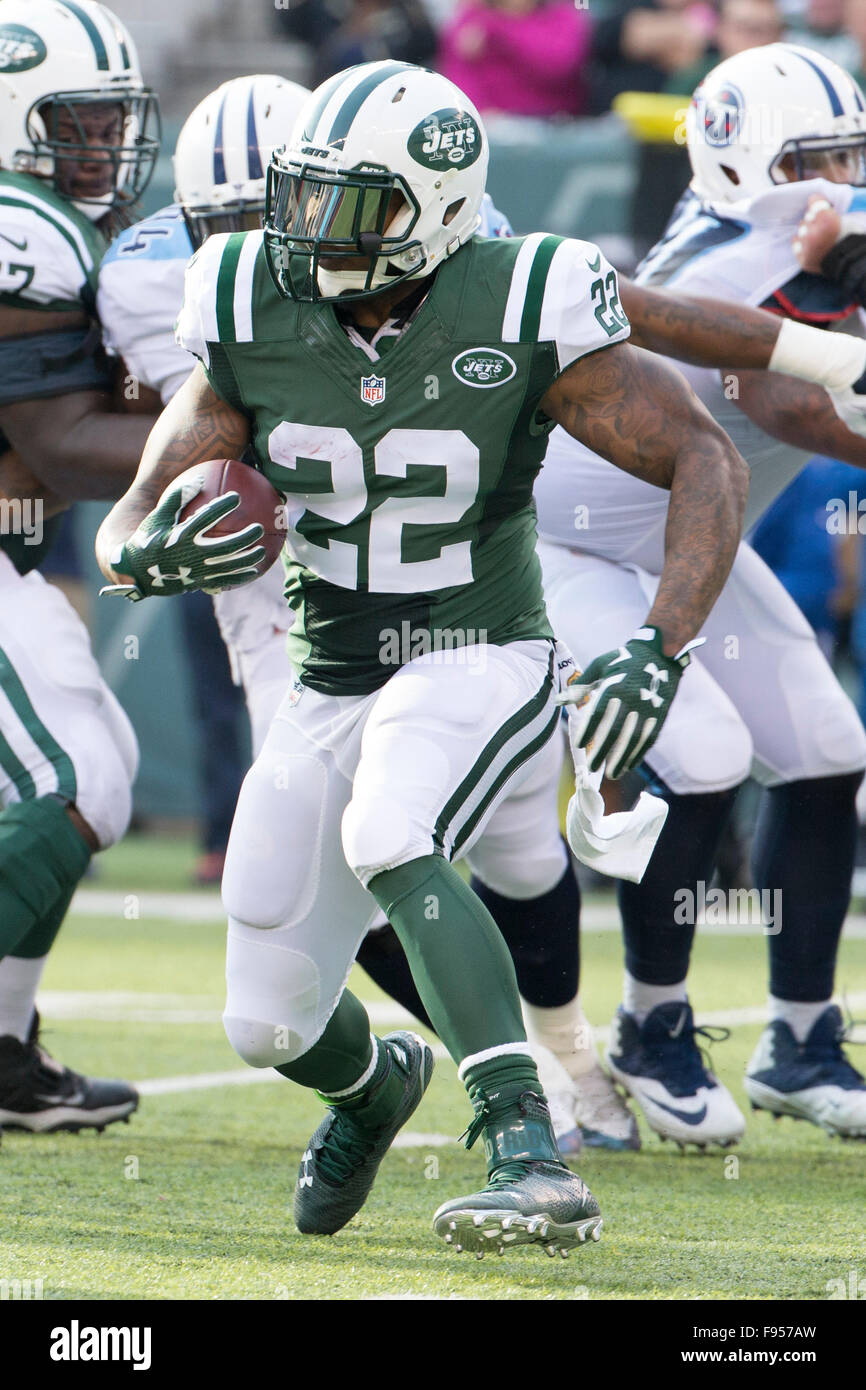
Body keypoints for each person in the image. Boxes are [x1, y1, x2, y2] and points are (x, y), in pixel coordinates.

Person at [95, 61, 749, 1256]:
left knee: (392, 829)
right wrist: (143, 555)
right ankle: (374, 1084)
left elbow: (702, 455)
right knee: (267, 1025)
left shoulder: (526, 290)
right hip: (327, 668)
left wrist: (660, 644)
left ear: (436, 205)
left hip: (478, 643)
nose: (306, 231)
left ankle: (528, 1152)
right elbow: (132, 508)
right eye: (299, 197)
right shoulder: (246, 294)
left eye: (347, 204)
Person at [517, 43, 866, 1148]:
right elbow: (805, 409)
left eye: (848, 155)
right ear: (739, 167)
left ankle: (797, 1038)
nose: (834, 179)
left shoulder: (781, 236)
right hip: (576, 550)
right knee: (704, 755)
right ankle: (648, 1022)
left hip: (689, 543)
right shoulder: (730, 260)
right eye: (810, 159)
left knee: (822, 745)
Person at [0, 0, 163, 1140]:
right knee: (71, 774)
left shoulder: (59, 223)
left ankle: (5, 1052)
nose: (101, 145)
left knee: (94, 765)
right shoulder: (23, 228)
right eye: (75, 121)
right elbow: (58, 444)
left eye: (112, 120)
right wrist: (253, 438)